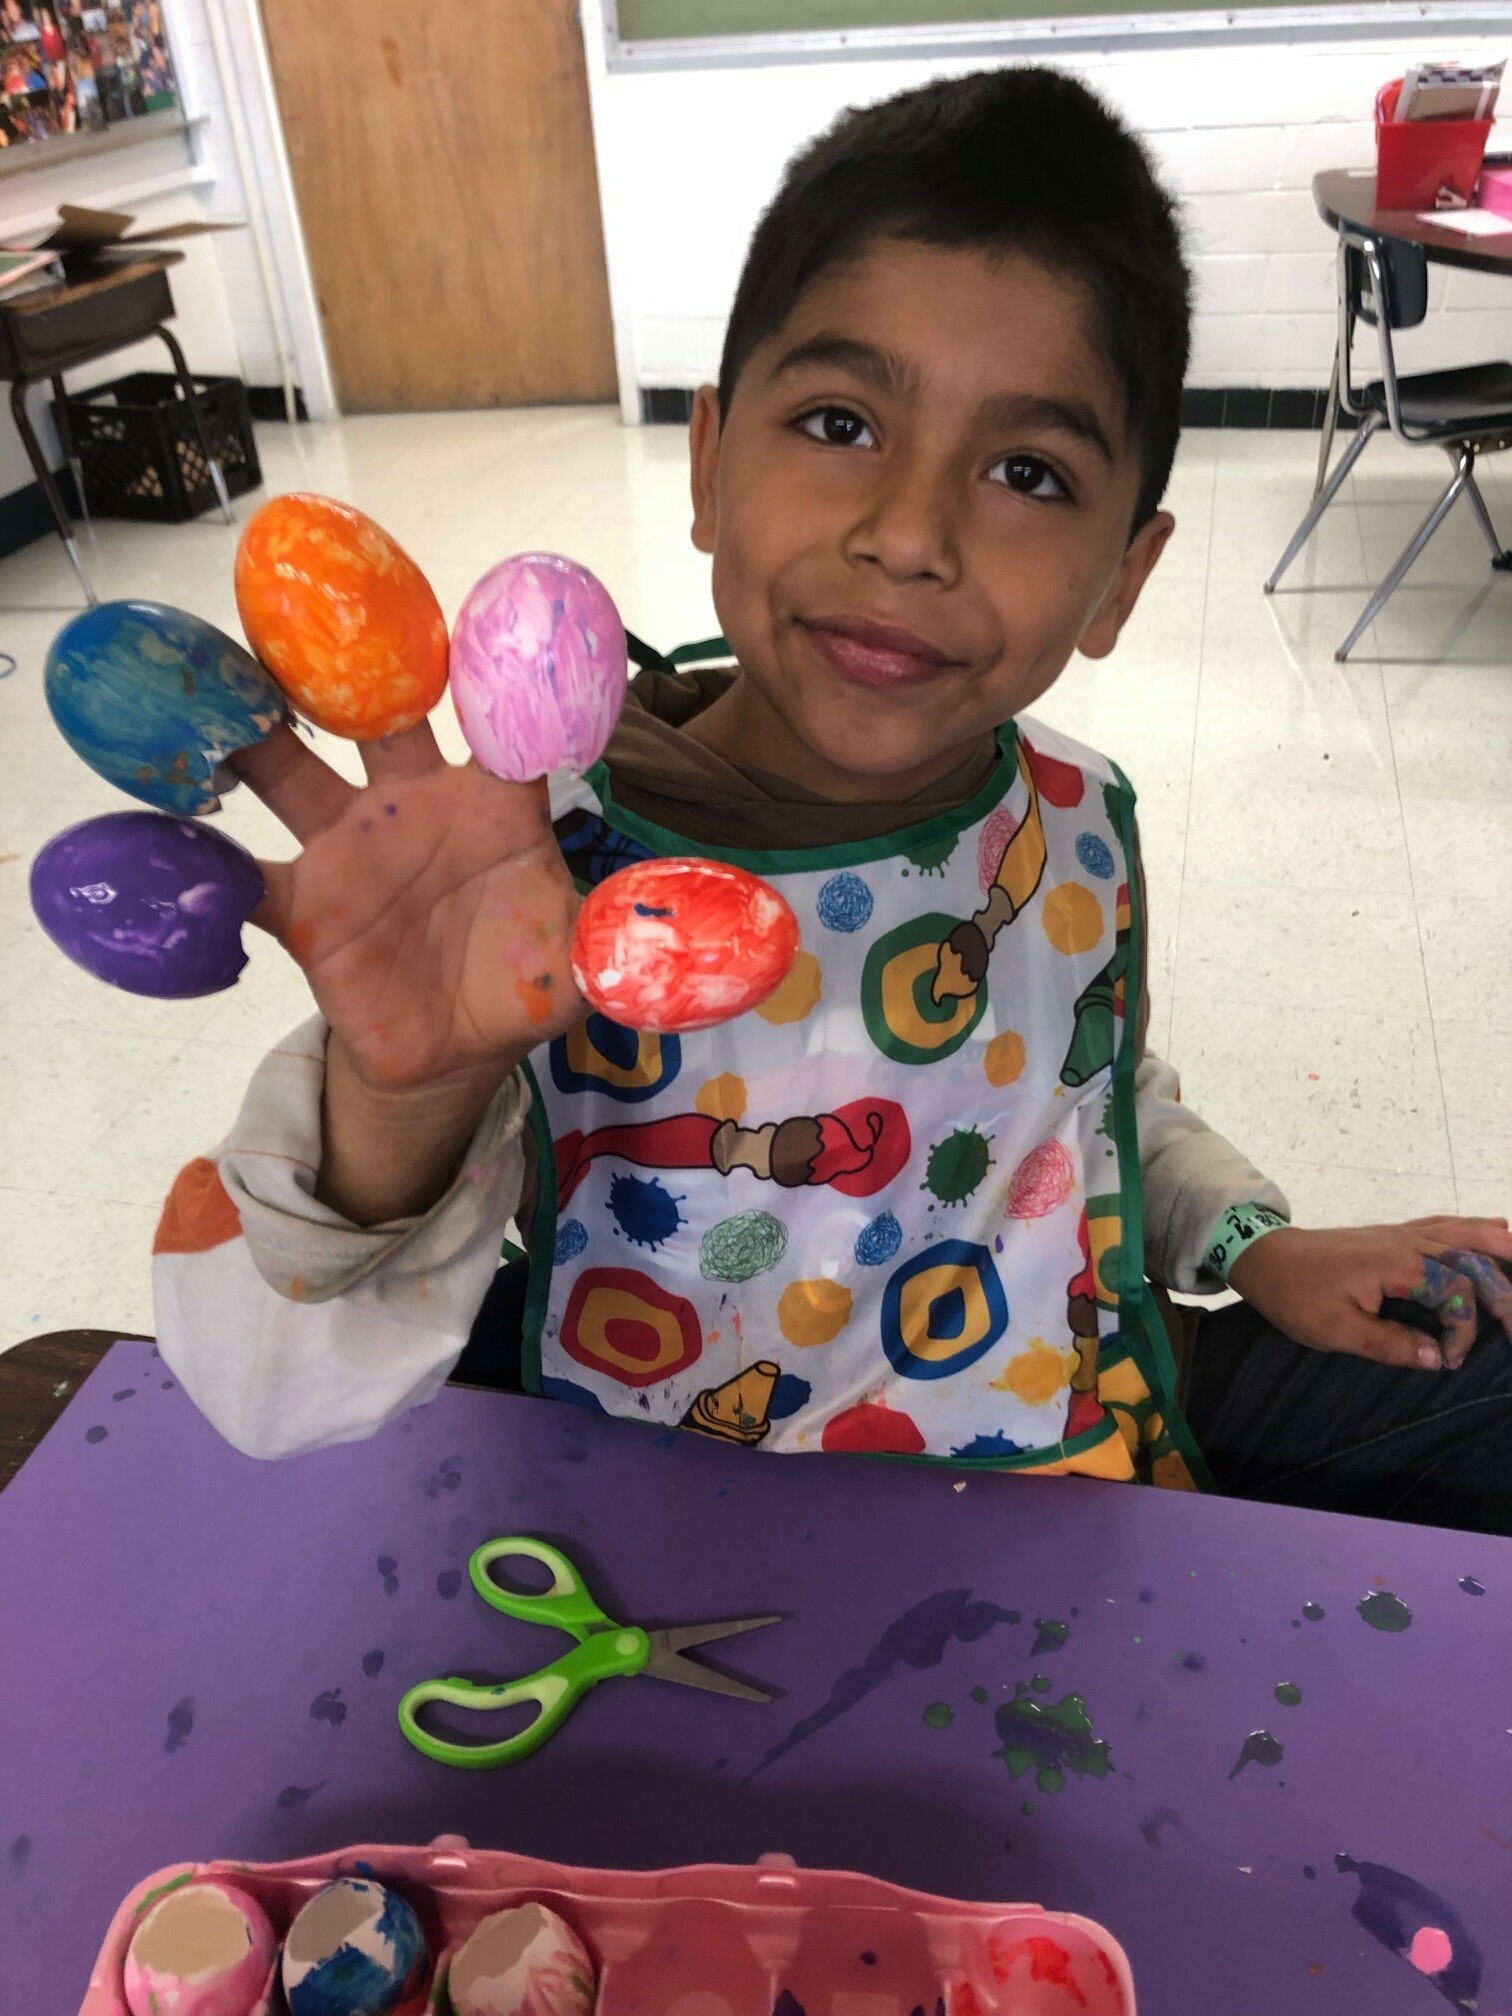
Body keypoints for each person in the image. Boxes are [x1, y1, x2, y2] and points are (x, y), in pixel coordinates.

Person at [153, 66, 1512, 1532]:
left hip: (1029, 1463)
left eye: (1027, 471)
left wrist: (1251, 1244)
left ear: (1124, 576)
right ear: (708, 465)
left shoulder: (1067, 817)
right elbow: (264, 1397)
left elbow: (1078, 1100)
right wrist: (403, 1099)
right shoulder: (520, 870)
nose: (910, 533)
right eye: (840, 424)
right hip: (654, 1502)